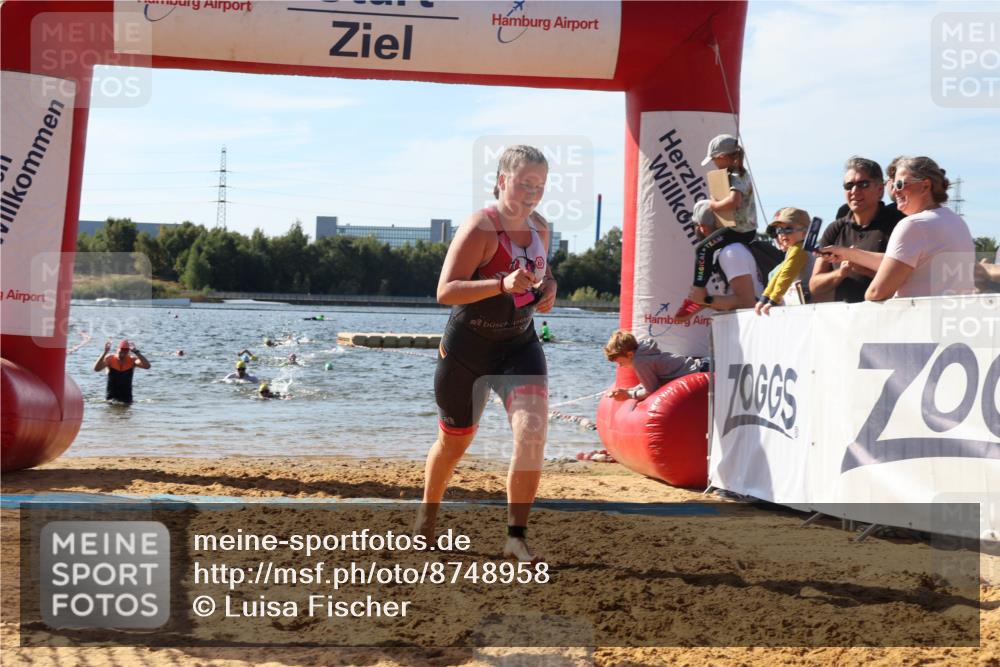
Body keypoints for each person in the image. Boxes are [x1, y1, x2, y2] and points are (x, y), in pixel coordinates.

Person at [416, 144, 557, 564]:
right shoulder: (480, 227)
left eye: (540, 185)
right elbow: (445, 291)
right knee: (454, 443)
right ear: (501, 181)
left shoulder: (542, 228)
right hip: (468, 352)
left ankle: (515, 536)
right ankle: (427, 517)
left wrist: (549, 289)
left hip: (520, 346)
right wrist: (500, 285)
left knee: (532, 433)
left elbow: (542, 278)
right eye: (525, 182)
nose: (533, 192)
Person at [823, 156, 975, 299]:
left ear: (925, 186)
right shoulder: (956, 222)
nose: (894, 191)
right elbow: (903, 261)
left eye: (900, 184)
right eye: (894, 184)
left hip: (915, 322)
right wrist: (848, 254)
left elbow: (875, 293)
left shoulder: (913, 225)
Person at [674, 134, 758, 322]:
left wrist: (713, 205)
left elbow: (734, 202)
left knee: (702, 248)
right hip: (746, 230)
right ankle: (700, 294)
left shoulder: (735, 175)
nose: (713, 163)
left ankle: (697, 294)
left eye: (713, 159)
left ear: (723, 156)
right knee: (708, 249)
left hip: (739, 230)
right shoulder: (740, 174)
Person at [810, 157, 903, 303]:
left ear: (880, 189)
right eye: (849, 185)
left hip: (891, 317)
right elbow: (815, 285)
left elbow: (907, 277)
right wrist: (841, 273)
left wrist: (862, 267)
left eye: (863, 184)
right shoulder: (835, 229)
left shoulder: (899, 224)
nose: (854, 191)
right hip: (848, 320)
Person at [683, 200, 763, 314]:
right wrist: (705, 303)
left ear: (702, 228)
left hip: (752, 326)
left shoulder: (731, 252)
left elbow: (747, 303)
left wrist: (705, 299)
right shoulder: (727, 251)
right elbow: (734, 302)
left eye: (693, 227)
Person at [604, 330, 705, 402]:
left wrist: (628, 395)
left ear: (629, 354)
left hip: (700, 371)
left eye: (620, 362)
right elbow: (650, 383)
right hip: (702, 365)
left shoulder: (639, 361)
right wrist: (629, 390)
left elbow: (651, 390)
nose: (620, 366)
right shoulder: (642, 354)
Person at [756, 208, 812, 315]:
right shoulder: (794, 249)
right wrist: (765, 297)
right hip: (803, 305)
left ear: (805, 232)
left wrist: (772, 301)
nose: (782, 234)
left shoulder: (800, 249)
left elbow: (786, 275)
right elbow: (779, 275)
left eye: (788, 229)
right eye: (779, 230)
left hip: (809, 305)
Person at [93, 339, 150, 403]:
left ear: (128, 351)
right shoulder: (110, 359)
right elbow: (96, 369)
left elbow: (147, 366)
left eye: (125, 351)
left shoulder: (132, 360)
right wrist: (104, 353)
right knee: (110, 412)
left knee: (126, 411)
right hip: (111, 397)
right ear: (117, 350)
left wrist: (136, 352)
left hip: (127, 397)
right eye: (121, 350)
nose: (122, 353)